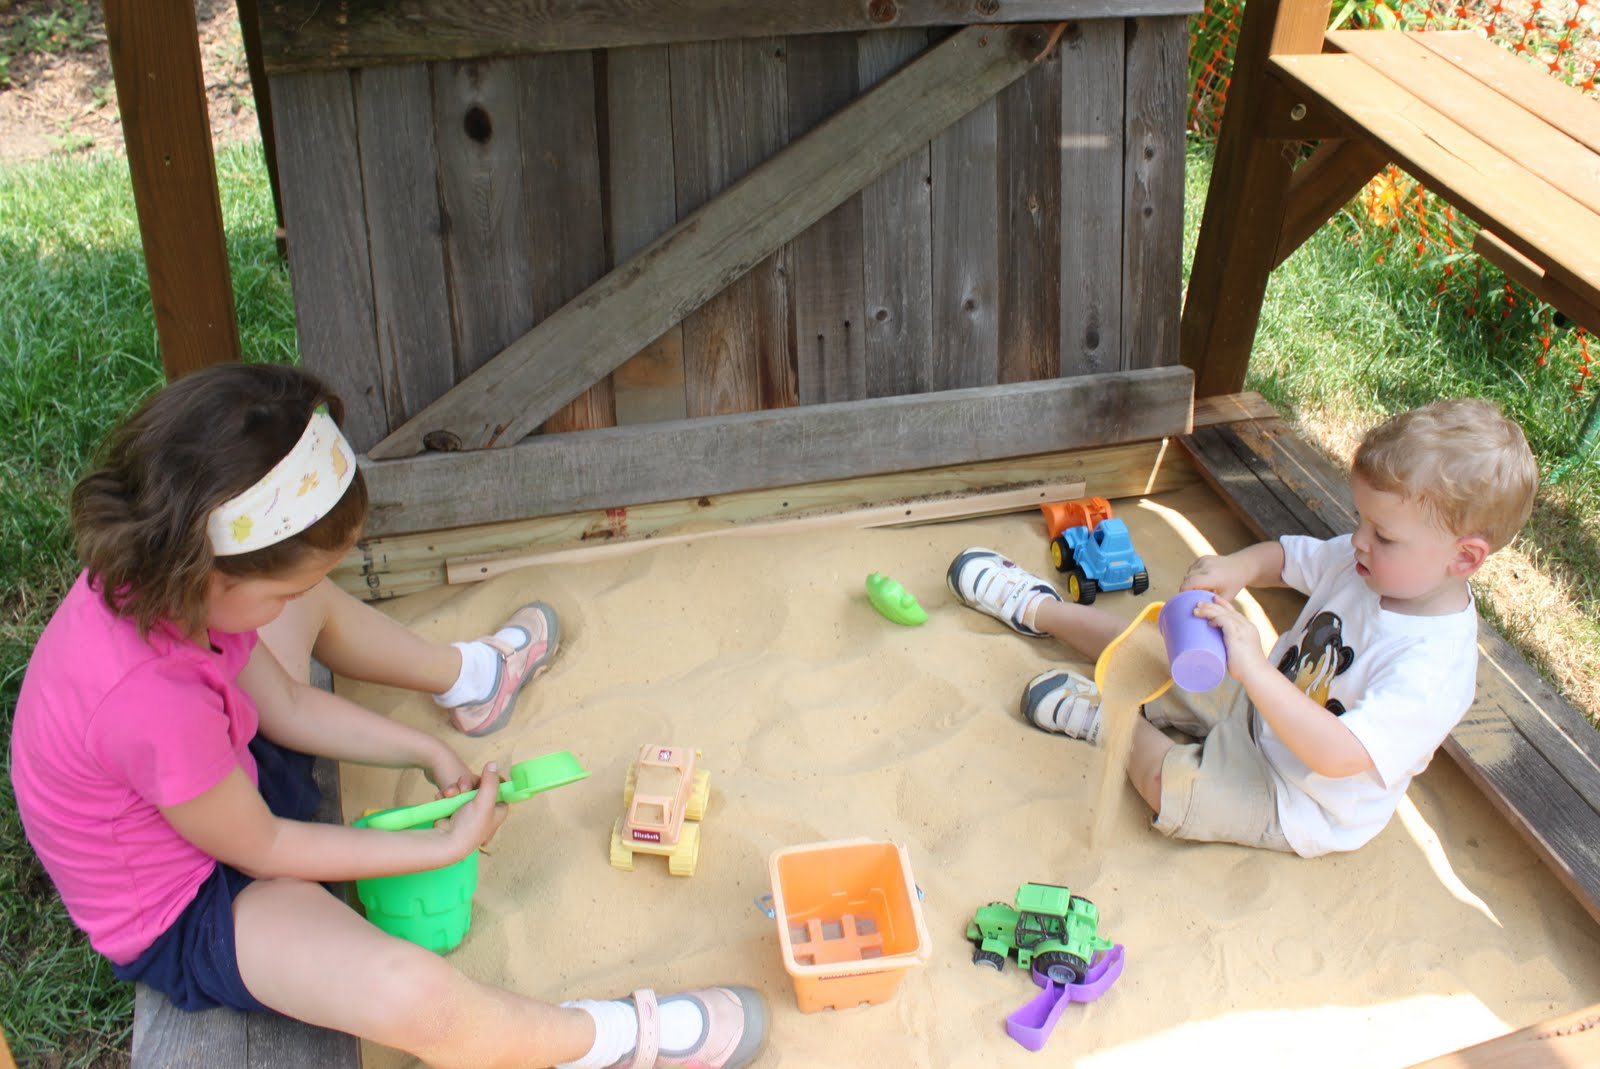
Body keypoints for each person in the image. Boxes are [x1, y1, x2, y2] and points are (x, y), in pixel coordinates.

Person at [9, 364, 767, 1069]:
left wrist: (418, 751)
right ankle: (604, 1035)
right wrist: (441, 846)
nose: (282, 605)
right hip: (202, 898)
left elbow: (291, 701)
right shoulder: (150, 700)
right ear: (205, 572)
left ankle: (473, 679)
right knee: (412, 996)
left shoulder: (177, 581)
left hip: (218, 774)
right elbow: (267, 847)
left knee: (293, 599)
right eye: (272, 591)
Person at [948, 398, 1537, 858]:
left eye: (1383, 534)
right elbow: (1288, 557)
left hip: (1298, 799)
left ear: (1464, 559)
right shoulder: (1370, 563)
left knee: (1170, 789)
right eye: (1362, 519)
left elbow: (1339, 755)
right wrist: (1237, 568)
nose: (1359, 538)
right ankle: (1038, 609)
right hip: (1252, 705)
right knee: (1151, 647)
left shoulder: (1432, 670)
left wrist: (1254, 668)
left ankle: (1112, 722)